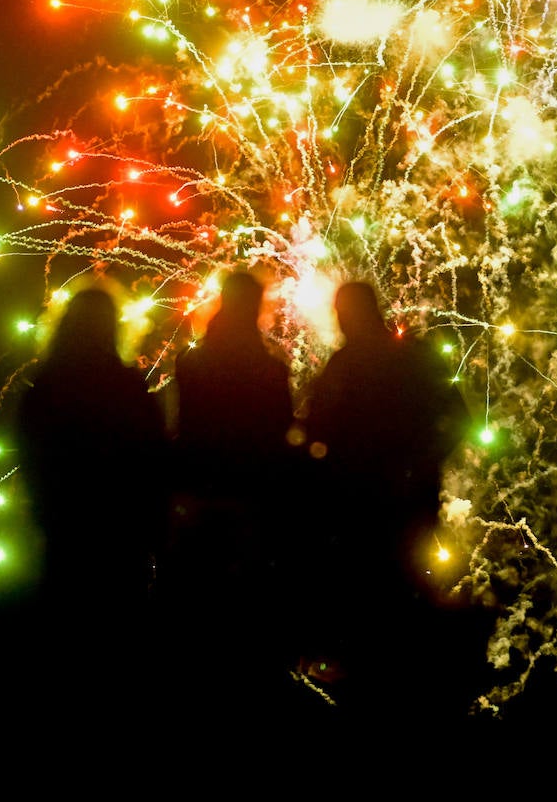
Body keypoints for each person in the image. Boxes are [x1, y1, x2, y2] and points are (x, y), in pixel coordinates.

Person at [298, 280, 473, 718]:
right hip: (406, 503)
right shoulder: (414, 357)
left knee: (367, 607)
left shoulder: (344, 366)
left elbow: (316, 438)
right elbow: (458, 418)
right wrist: (423, 464)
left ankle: (378, 707)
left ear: (347, 315)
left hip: (362, 509)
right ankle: (415, 702)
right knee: (409, 599)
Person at [14, 283, 170, 678]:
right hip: (120, 530)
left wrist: (42, 509)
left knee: (65, 635)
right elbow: (153, 458)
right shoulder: (128, 388)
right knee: (118, 638)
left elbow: (31, 456)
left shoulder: (46, 388)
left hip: (66, 525)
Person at [163, 270, 299, 687]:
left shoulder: (194, 361)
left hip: (201, 498)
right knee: (248, 614)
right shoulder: (270, 371)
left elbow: (182, 431)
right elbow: (282, 438)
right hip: (253, 502)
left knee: (200, 614)